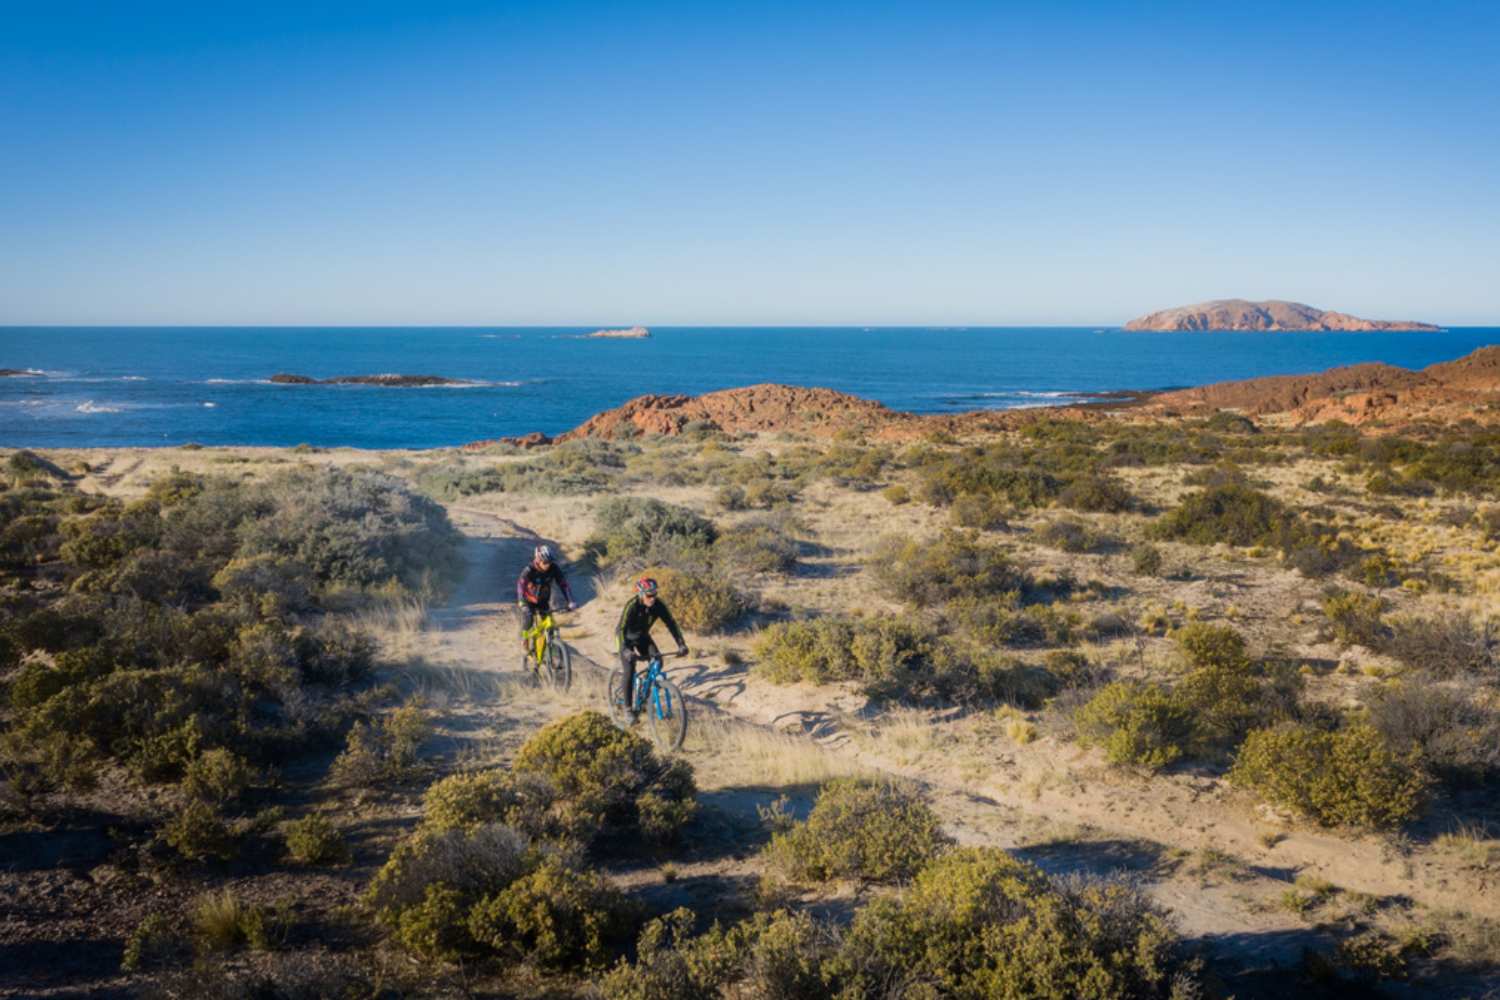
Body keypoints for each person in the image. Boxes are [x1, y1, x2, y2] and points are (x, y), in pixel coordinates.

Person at [615, 576, 687, 718]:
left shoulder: (658, 605)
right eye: (649, 595)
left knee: (658, 661)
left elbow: (671, 624)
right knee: (629, 669)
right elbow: (621, 629)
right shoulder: (632, 605)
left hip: (643, 637)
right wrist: (625, 650)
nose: (652, 598)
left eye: (655, 594)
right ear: (641, 594)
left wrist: (681, 644)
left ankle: (644, 694)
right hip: (626, 639)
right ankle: (628, 709)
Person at [517, 544, 575, 654]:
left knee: (550, 626)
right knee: (528, 617)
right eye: (545, 562)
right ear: (538, 560)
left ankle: (550, 653)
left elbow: (563, 584)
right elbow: (520, 585)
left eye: (550, 562)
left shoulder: (554, 568)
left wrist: (570, 601)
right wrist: (521, 600)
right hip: (528, 600)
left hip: (543, 601)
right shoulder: (529, 570)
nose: (548, 565)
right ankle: (524, 638)